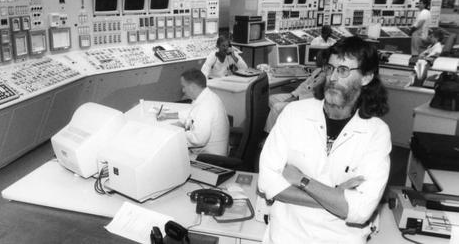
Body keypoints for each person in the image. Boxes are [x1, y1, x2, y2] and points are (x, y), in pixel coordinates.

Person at [258, 36, 391, 244]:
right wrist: (337, 195)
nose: (333, 78)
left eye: (344, 71)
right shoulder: (294, 113)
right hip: (286, 236)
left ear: (366, 77)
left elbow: (361, 210)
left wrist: (303, 180)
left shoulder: (377, 133)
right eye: (330, 68)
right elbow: (267, 182)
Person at [158, 69, 230, 156]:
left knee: (167, 156)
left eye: (184, 86)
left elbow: (198, 139)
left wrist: (176, 132)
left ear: (192, 87)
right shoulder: (206, 97)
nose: (183, 90)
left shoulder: (206, 106)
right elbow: (191, 113)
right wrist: (167, 115)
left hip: (210, 159)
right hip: (207, 152)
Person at [264, 49, 326, 133]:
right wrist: (293, 95)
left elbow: (314, 95)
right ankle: (281, 128)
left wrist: (294, 99)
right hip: (297, 96)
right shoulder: (318, 70)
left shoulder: (326, 76)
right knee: (271, 99)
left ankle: (268, 134)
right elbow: (303, 85)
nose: (316, 59)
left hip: (305, 101)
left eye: (319, 58)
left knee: (277, 107)